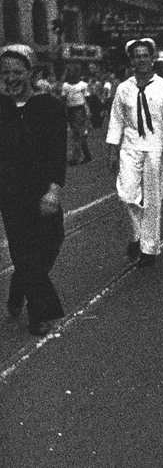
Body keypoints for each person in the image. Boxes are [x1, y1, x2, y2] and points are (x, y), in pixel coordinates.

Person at [0, 45, 68, 336]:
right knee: (24, 252)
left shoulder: (49, 107)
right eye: (5, 72)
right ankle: (38, 315)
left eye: (17, 71)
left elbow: (57, 152)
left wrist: (53, 191)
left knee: (51, 242)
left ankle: (18, 289)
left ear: (30, 72)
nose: (11, 77)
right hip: (9, 192)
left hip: (42, 190)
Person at [106, 38, 163, 268]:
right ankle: (139, 235)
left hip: (156, 147)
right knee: (127, 193)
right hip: (130, 146)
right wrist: (112, 149)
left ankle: (149, 248)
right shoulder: (123, 88)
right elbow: (116, 119)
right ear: (131, 60)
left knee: (153, 199)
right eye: (137, 56)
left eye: (145, 55)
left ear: (152, 58)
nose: (142, 59)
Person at [61, 66, 92, 165]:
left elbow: (87, 98)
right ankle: (87, 154)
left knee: (76, 133)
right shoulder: (66, 85)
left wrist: (88, 111)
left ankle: (75, 157)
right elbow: (63, 98)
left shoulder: (82, 85)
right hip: (70, 110)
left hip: (79, 110)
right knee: (78, 134)